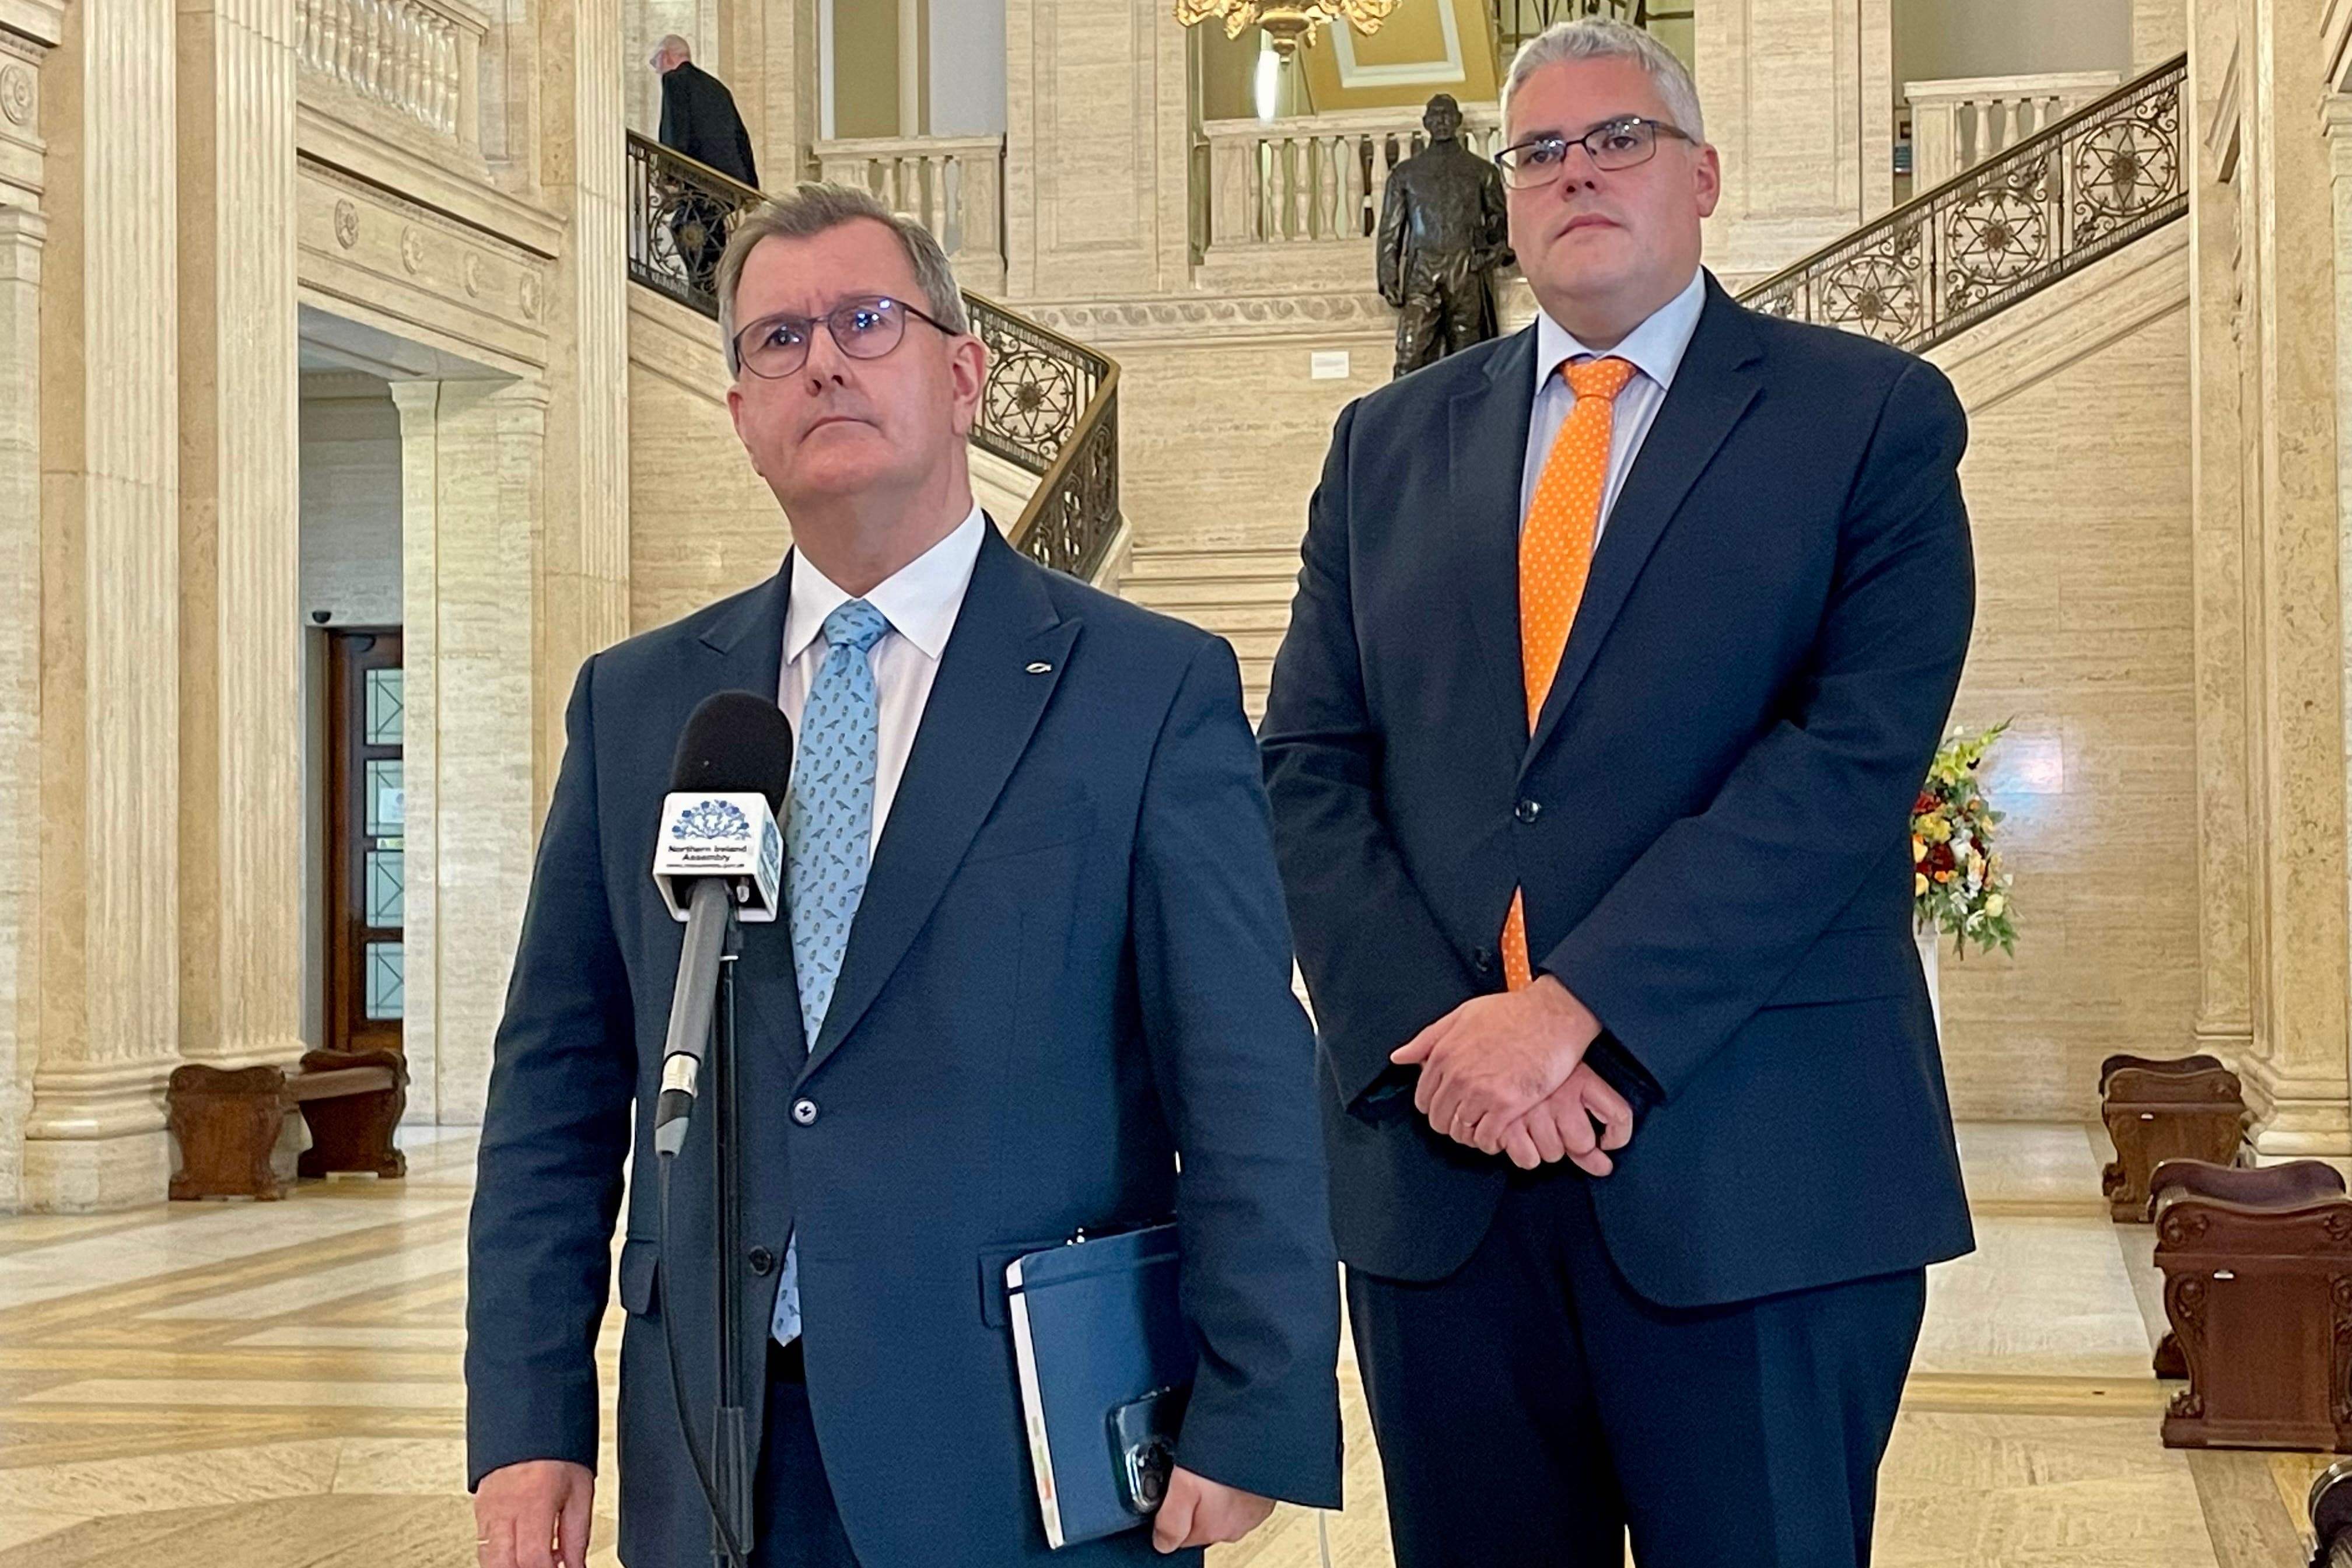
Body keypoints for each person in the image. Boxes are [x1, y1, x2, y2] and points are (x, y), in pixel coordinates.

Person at [466, 182, 1341, 1568]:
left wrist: (1259, 1399)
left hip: (1024, 1440)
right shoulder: (644, 708)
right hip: (720, 1440)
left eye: (866, 322)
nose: (821, 359)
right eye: (775, 340)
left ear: (962, 373)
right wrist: (528, 1417)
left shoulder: (1142, 689)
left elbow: (1244, 1072)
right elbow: (555, 1090)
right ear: (742, 410)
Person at [1261, 18, 1976, 1568]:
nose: (1575, 170)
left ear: (1703, 175)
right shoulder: (1384, 446)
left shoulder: (1867, 421)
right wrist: (1440, 1048)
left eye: (1618, 139)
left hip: (1758, 1177)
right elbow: (1309, 769)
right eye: (1541, 152)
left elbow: (1845, 765)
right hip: (1442, 1192)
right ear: (1508, 202)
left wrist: (1576, 1008)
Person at [1376, 93, 1514, 379]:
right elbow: (1391, 230)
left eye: (1447, 115)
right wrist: (1388, 275)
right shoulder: (1406, 174)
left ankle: (1471, 419)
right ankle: (1402, 418)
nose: (1441, 121)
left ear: (1458, 121)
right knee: (1409, 355)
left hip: (1466, 272)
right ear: (1426, 122)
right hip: (1422, 271)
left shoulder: (1481, 171)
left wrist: (1492, 254)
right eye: (1435, 116)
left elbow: (1503, 225)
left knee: (1469, 358)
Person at [653, 35, 761, 294]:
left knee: (686, 228)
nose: (656, 69)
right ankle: (714, 289)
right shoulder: (716, 87)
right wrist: (749, 185)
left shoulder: (675, 80)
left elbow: (675, 129)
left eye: (655, 62)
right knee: (710, 233)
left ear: (668, 56)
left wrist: (667, 174)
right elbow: (740, 136)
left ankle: (703, 290)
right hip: (728, 181)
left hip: (699, 177)